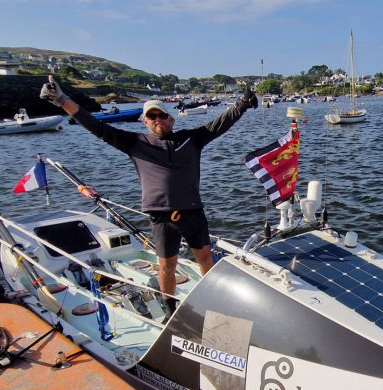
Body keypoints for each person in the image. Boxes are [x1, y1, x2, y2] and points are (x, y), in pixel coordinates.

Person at [39, 75, 257, 315]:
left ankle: (214, 302)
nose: (157, 120)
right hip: (161, 216)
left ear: (171, 118)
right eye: (151, 117)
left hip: (192, 210)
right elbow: (95, 126)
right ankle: (170, 308)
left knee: (205, 258)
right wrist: (62, 100)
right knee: (166, 265)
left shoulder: (191, 139)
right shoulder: (134, 143)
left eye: (162, 115)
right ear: (145, 122)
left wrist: (243, 103)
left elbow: (221, 123)